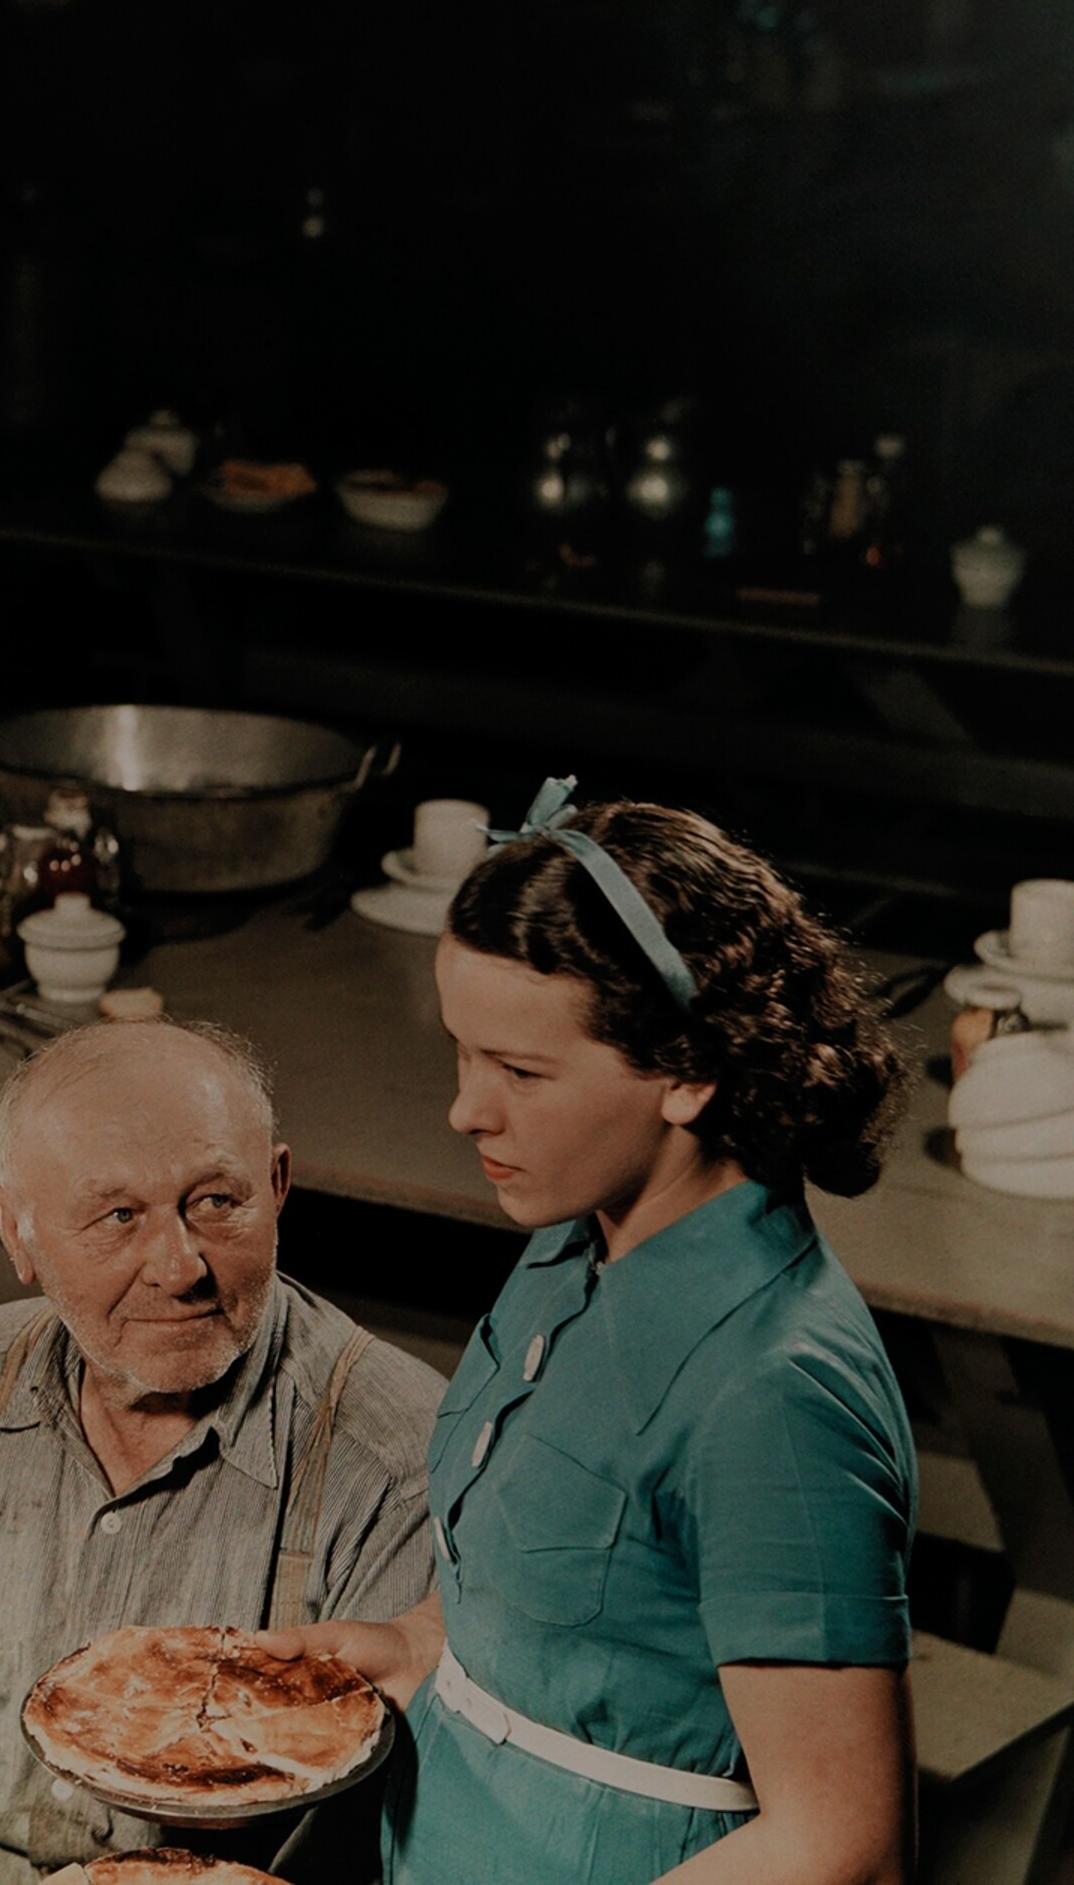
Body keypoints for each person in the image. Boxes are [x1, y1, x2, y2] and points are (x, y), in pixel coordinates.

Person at [263, 780, 917, 1885]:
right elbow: (582, 1579)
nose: (468, 1109)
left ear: (690, 1071)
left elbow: (837, 1837)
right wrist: (421, 1644)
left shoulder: (774, 1390)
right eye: (463, 1053)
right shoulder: (576, 1240)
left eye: (520, 1071)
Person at [0, 1019, 444, 1881]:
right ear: (17, 1232)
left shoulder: (396, 1456)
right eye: (117, 1217)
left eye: (217, 1202)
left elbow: (388, 1853)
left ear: (280, 1184)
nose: (180, 1266)